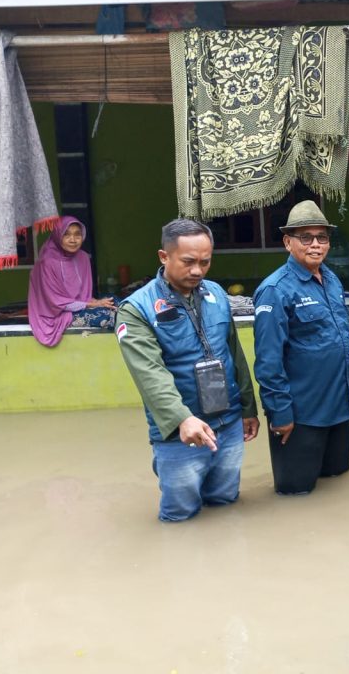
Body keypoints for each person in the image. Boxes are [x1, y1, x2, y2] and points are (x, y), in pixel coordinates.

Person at [116, 219, 259, 522]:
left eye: (205, 262)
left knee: (224, 503)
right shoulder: (137, 309)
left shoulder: (217, 294)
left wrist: (247, 407)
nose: (198, 270)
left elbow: (234, 353)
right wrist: (182, 419)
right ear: (163, 257)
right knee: (180, 516)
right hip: (180, 434)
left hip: (228, 423)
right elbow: (149, 374)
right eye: (189, 261)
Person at [253, 201, 349, 495]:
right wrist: (279, 412)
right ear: (288, 242)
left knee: (338, 481)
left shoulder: (331, 280)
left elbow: (340, 336)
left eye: (322, 237)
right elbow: (268, 361)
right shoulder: (275, 290)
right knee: (296, 493)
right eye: (306, 237)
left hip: (338, 406)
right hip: (300, 415)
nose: (316, 245)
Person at [27, 216, 116, 346]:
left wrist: (97, 301)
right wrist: (94, 305)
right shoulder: (46, 263)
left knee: (118, 304)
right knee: (108, 317)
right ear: (58, 236)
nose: (73, 240)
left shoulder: (83, 257)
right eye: (66, 234)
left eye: (77, 234)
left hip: (80, 307)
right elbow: (57, 303)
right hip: (55, 316)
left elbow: (84, 296)